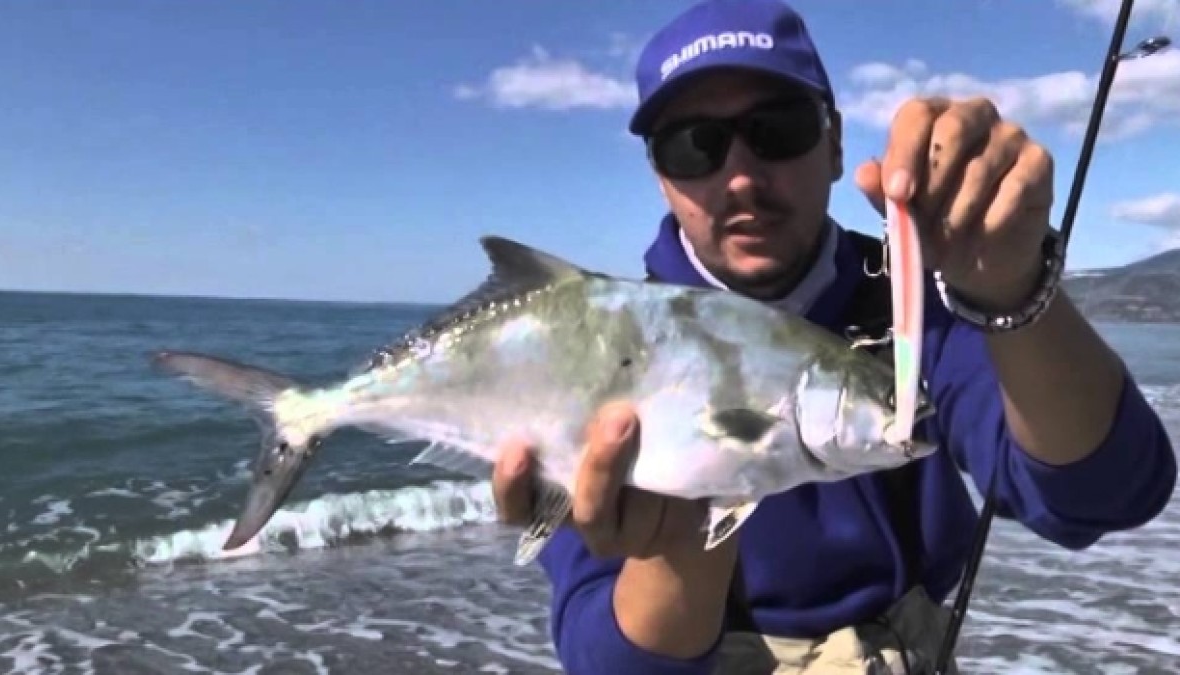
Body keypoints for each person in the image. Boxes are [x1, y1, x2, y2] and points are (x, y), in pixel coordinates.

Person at [489, 1, 1178, 673]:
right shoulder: (598, 348)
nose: (741, 177)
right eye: (693, 146)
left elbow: (1101, 495)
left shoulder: (912, 305)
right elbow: (604, 657)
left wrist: (1013, 290)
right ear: (661, 177)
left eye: (779, 128)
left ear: (836, 143)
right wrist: (679, 547)